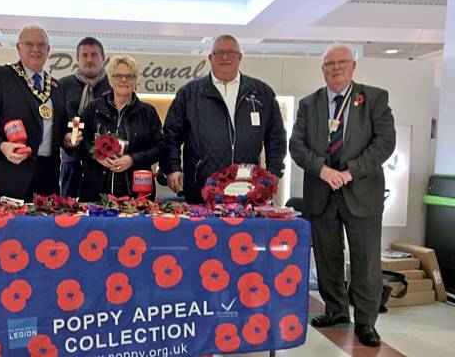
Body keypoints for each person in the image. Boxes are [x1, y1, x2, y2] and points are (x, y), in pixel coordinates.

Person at [289, 43, 396, 347]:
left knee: (365, 259)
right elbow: (297, 146)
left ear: (353, 66)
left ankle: (366, 321)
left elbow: (384, 142)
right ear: (322, 68)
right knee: (327, 256)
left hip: (361, 192)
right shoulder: (310, 104)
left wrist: (350, 172)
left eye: (341, 62)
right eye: (329, 64)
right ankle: (335, 310)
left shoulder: (374, 98)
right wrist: (323, 171)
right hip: (321, 191)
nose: (335, 68)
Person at [162, 34, 287, 204]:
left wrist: (274, 171)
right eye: (219, 52)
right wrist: (173, 168)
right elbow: (171, 135)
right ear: (210, 58)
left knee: (243, 232)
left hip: (248, 191)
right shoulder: (189, 94)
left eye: (231, 52)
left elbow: (276, 137)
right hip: (200, 190)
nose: (225, 57)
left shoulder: (261, 93)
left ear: (240, 57)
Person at [0, 25, 77, 201]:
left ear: (48, 50)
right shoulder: (0, 76)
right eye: (29, 44)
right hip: (8, 174)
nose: (36, 49)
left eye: (41, 45)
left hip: (48, 179)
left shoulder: (57, 86)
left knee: (45, 228)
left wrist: (67, 138)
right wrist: (2, 146)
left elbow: (61, 126)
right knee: (6, 229)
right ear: (19, 48)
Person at [78, 55, 164, 202]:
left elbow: (160, 147)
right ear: (110, 80)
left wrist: (132, 159)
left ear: (136, 80)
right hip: (95, 190)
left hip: (137, 194)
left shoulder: (148, 112)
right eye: (118, 75)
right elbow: (80, 144)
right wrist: (96, 155)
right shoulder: (93, 108)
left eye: (129, 76)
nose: (124, 80)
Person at [59, 37, 111, 197]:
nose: (89, 59)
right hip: (71, 163)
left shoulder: (113, 85)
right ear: (77, 59)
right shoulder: (62, 85)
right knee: (68, 214)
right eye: (84, 55)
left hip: (105, 165)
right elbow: (56, 123)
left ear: (103, 58)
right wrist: (64, 137)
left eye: (94, 55)